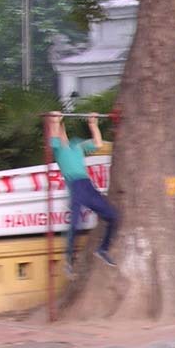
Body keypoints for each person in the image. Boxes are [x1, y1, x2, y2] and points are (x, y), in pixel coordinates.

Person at [45, 112, 118, 270]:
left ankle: (103, 249)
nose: (58, 133)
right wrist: (54, 121)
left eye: (59, 129)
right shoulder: (57, 148)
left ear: (64, 130)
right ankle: (69, 261)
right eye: (56, 130)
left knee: (113, 216)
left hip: (87, 186)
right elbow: (53, 137)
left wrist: (93, 124)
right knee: (74, 224)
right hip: (75, 186)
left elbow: (98, 144)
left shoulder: (76, 144)